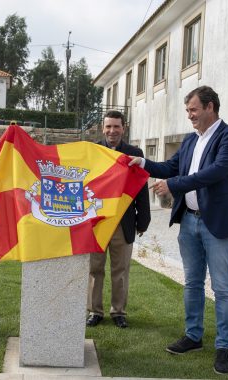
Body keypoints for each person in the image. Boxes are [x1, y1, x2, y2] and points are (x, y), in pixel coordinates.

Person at [129, 86, 228, 374]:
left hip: (218, 224)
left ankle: (224, 347)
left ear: (210, 107)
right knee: (192, 283)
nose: (190, 115)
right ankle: (193, 336)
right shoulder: (190, 141)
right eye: (188, 111)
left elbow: (215, 173)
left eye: (193, 110)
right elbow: (170, 166)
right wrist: (142, 162)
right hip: (189, 221)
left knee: (222, 288)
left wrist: (175, 185)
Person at [86, 110, 151, 329]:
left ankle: (118, 312)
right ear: (102, 128)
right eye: (108, 127)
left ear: (124, 128)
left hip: (122, 223)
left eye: (116, 126)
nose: (112, 131)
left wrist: (143, 221)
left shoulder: (135, 153)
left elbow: (141, 189)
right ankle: (95, 311)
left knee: (120, 270)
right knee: (94, 269)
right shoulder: (93, 151)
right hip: (96, 221)